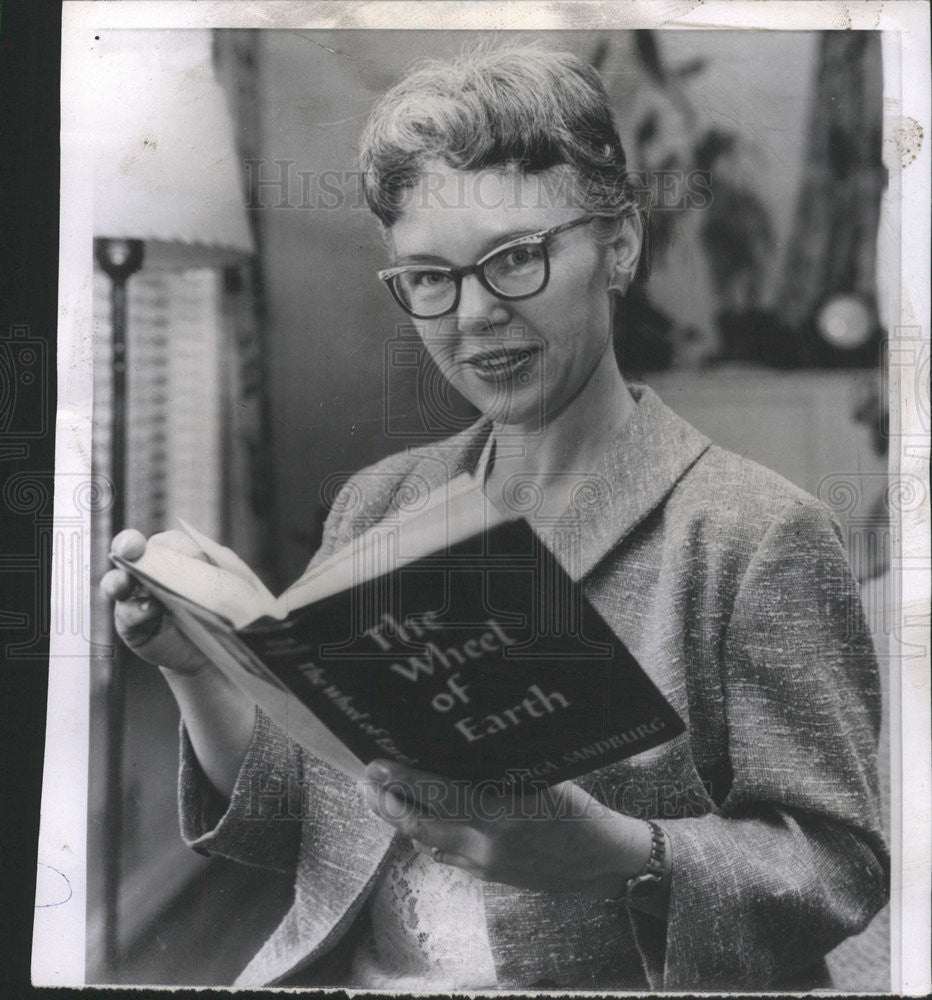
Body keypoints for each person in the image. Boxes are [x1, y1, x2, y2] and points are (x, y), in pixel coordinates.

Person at [101, 46, 888, 990]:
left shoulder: (754, 535)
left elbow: (841, 868)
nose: (473, 315)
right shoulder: (380, 505)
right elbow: (309, 828)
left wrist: (622, 854)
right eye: (429, 276)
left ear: (622, 243)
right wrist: (199, 671)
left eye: (515, 258)